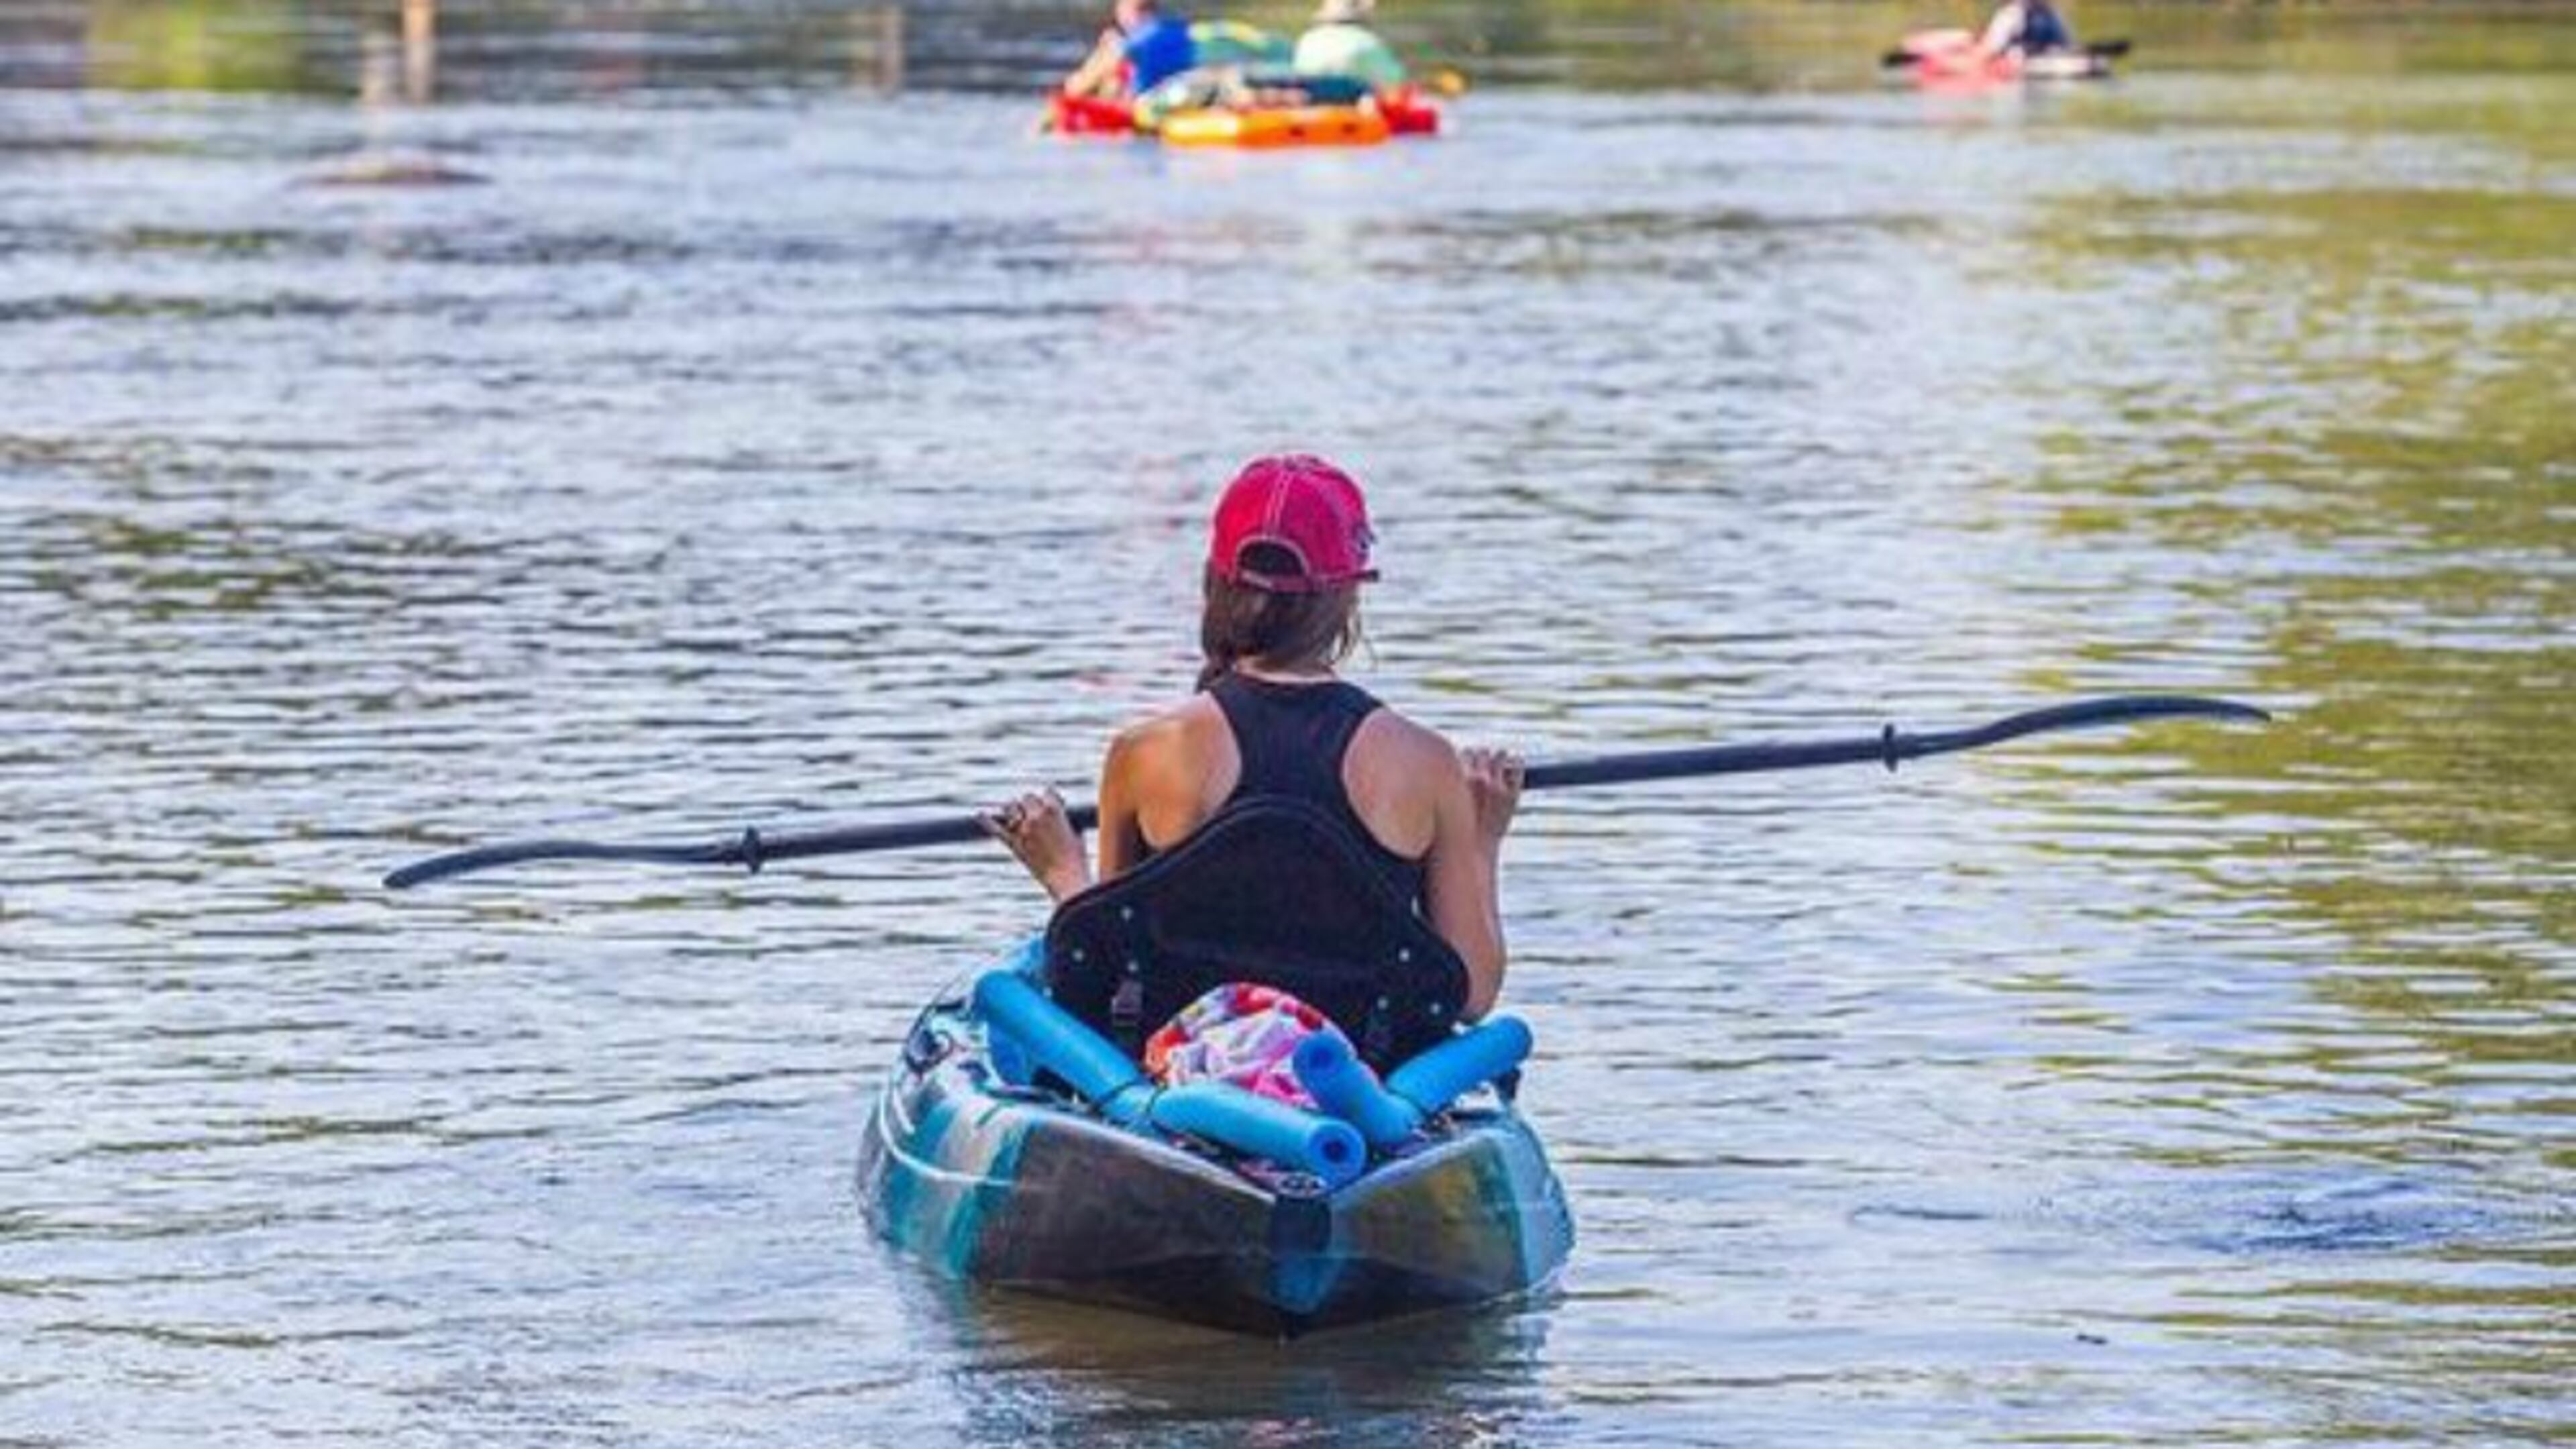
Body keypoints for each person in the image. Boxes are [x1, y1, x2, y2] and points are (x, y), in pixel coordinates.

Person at [981, 454, 1523, 1024]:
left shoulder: (1145, 753)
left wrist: (1063, 872)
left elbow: (1110, 973)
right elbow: (1470, 996)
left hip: (1185, 1081)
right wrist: (1482, 838)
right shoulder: (1425, 764)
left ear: (1213, 582)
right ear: (1347, 597)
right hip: (1359, 1087)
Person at [1061, 0, 1198, 100]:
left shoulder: (1129, 44)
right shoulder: (1179, 30)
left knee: (1112, 83)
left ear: (1126, 11)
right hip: (1184, 94)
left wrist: (1103, 51)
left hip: (1146, 105)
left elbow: (1076, 89)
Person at [1292, 0, 1407, 94]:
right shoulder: (1367, 43)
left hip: (1311, 110)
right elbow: (1398, 83)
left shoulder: (1307, 40)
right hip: (1353, 112)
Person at [1977, 0, 2074, 58]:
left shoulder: (2011, 12)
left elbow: (1993, 47)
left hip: (2035, 58)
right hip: (2054, 53)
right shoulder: (2049, 11)